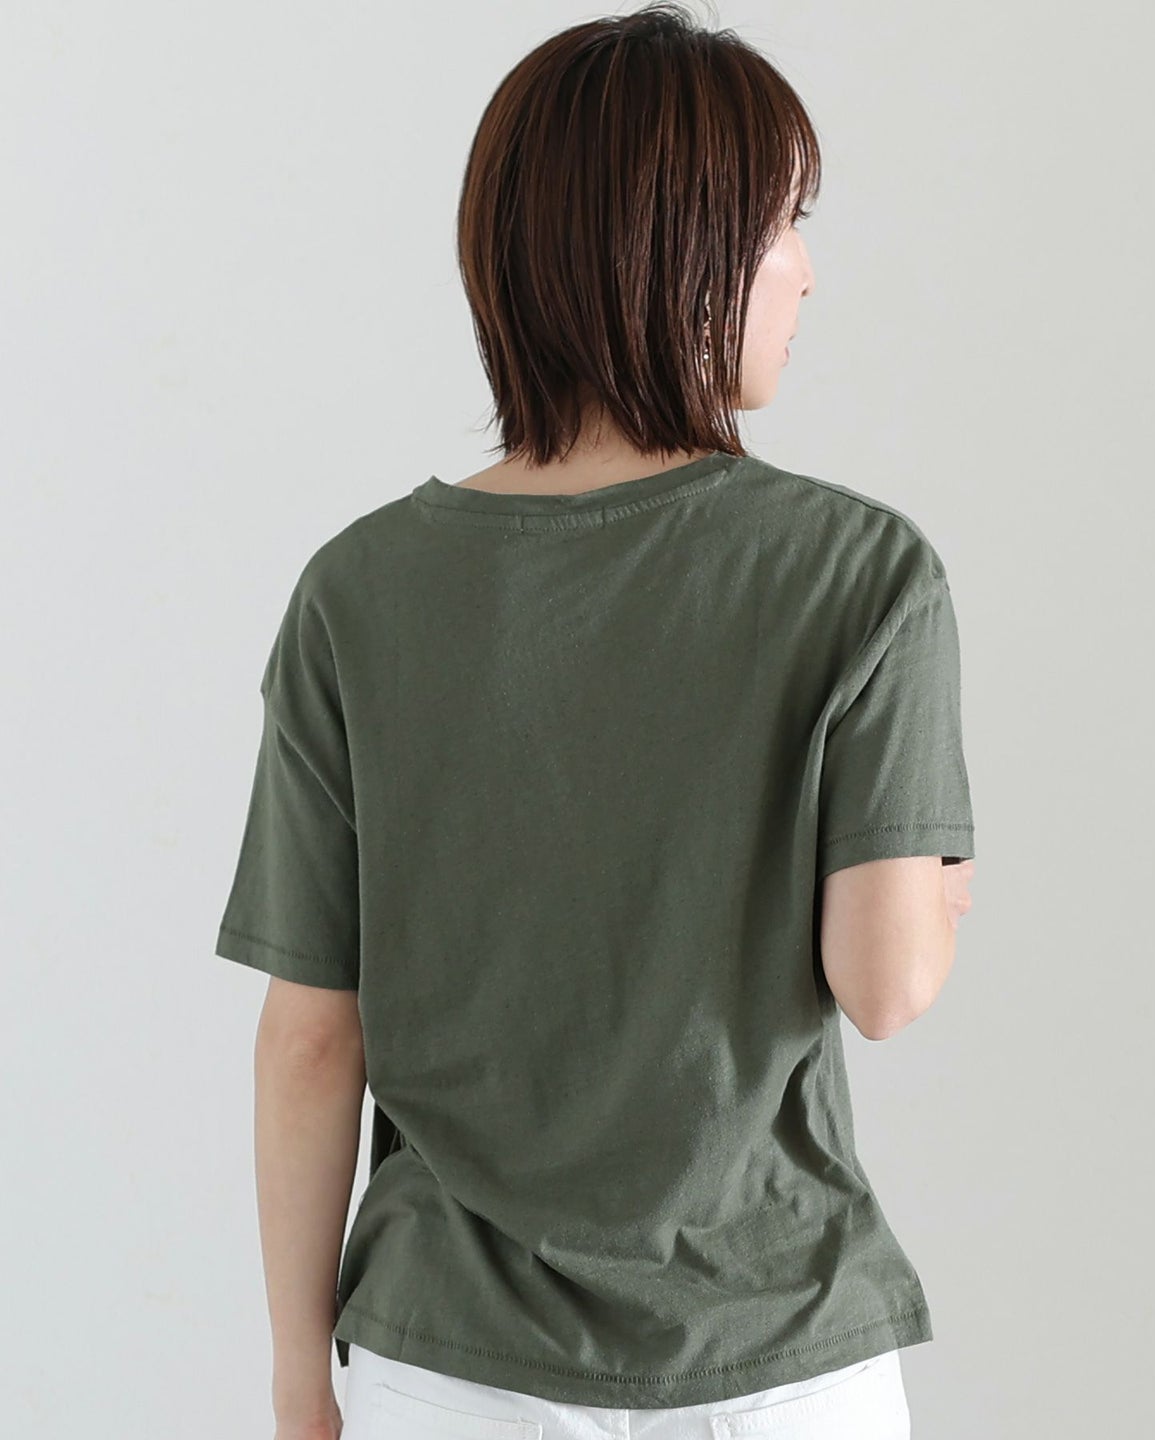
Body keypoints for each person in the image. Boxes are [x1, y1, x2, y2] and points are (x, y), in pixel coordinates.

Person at [213, 5, 976, 1438]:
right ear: (680, 248)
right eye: (782, 225)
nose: (806, 271)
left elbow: (311, 1039)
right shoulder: (864, 573)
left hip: (450, 1367)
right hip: (778, 1357)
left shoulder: (356, 592)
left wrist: (298, 1383)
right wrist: (937, 892)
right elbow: (884, 986)